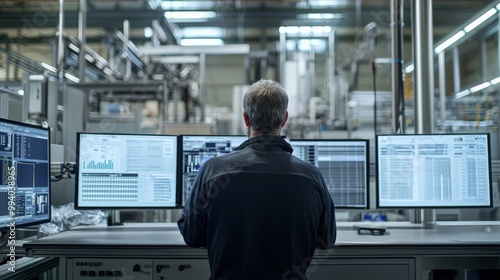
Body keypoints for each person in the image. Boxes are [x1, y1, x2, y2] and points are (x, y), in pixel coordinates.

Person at [177, 79, 337, 280]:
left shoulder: (213, 171)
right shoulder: (312, 177)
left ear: (246, 118)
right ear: (284, 119)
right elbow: (327, 239)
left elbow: (192, 236)